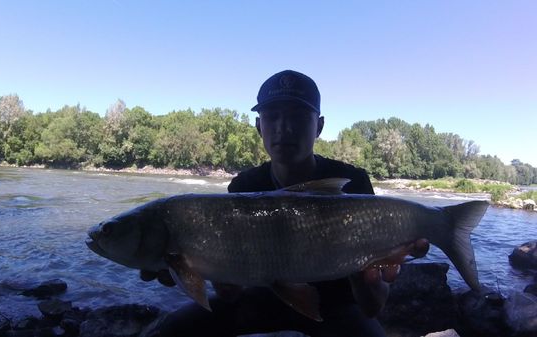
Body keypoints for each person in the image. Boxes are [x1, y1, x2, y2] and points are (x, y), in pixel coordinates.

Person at [141, 70, 429, 337]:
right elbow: (231, 294)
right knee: (171, 330)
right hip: (261, 299)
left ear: (319, 126)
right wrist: (198, 273)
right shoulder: (243, 187)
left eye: (298, 116)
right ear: (258, 127)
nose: (284, 128)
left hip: (336, 307)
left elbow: (372, 307)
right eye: (272, 116)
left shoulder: (352, 181)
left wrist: (367, 267)